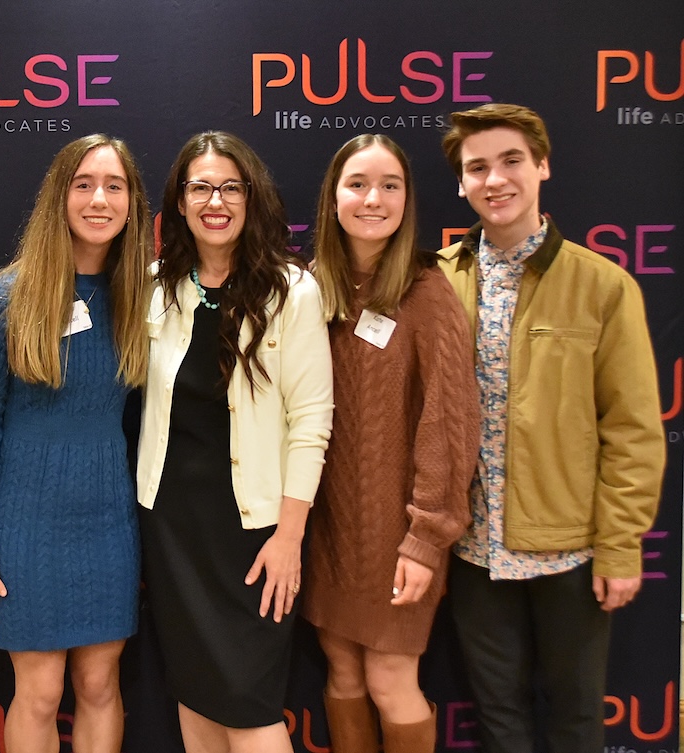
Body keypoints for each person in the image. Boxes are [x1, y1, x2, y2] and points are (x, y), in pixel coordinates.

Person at [438, 103, 666, 753]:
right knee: (498, 718)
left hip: (568, 551)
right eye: (477, 167)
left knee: (575, 718)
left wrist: (619, 547)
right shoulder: (438, 280)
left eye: (511, 160)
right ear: (461, 183)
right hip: (473, 550)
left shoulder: (603, 286)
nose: (494, 179)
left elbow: (632, 430)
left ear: (542, 166)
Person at [137, 130, 333, 753]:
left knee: (250, 706)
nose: (215, 201)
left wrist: (290, 537)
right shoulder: (155, 287)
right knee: (195, 696)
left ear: (252, 197)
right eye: (200, 188)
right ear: (180, 202)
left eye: (230, 187)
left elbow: (311, 422)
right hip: (173, 527)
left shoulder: (291, 290)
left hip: (255, 531)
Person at [0, 134, 152, 753]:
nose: (99, 200)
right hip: (25, 525)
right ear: (58, 197)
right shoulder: (4, 299)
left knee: (99, 685)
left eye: (114, 186)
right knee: (39, 693)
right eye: (84, 184)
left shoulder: (142, 299)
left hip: (109, 521)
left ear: (132, 204)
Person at [302, 134, 480, 753]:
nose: (373, 199)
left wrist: (426, 537)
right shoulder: (310, 289)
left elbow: (449, 422)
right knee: (343, 671)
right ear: (333, 199)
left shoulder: (426, 291)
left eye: (389, 186)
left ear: (408, 200)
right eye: (357, 184)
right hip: (327, 528)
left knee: (388, 678)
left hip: (400, 532)